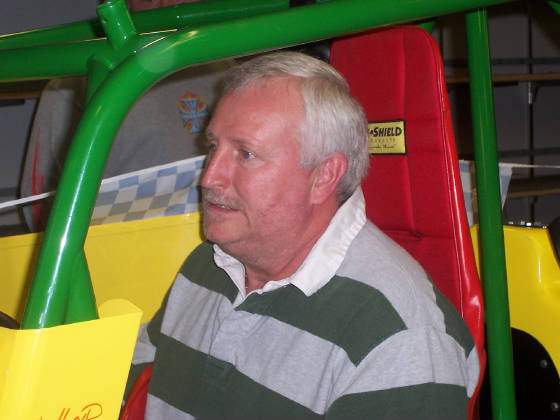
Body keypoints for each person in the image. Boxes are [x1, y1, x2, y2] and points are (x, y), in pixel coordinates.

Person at [126, 51, 480, 419]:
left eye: (245, 154)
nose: (209, 177)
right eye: (213, 147)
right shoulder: (209, 263)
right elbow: (130, 386)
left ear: (323, 177)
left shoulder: (399, 338)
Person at [19, 0, 232, 232]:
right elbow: (38, 205)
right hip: (123, 245)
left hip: (223, 243)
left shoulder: (229, 70)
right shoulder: (77, 84)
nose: (165, 4)